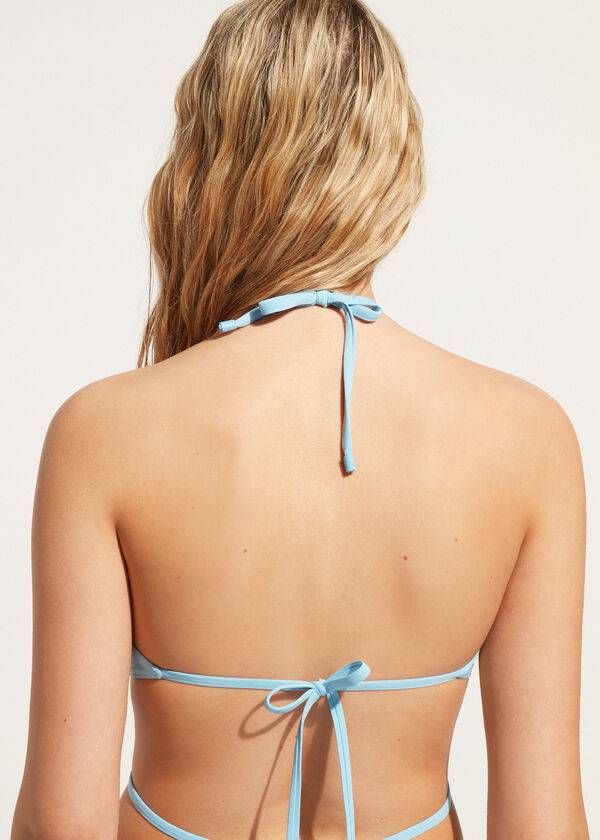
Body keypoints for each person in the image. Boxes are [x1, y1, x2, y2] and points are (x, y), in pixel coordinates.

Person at [11, 1, 589, 838]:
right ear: (394, 164)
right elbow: (544, 826)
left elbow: (60, 827)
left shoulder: (101, 435)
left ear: (208, 162)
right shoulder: (528, 440)